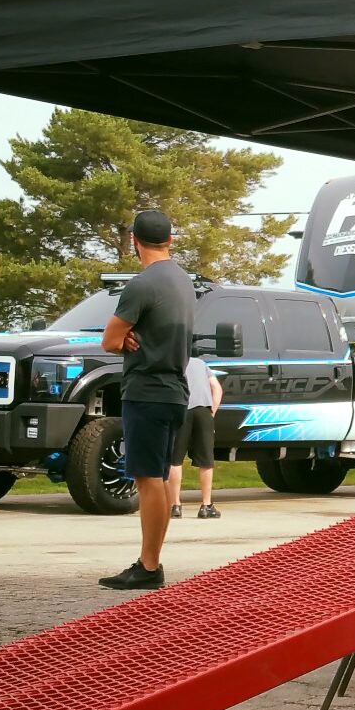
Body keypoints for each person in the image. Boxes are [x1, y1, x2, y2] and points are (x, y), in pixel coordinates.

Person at [99, 209, 194, 590]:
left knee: (148, 478)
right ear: (170, 239)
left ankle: (149, 566)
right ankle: (149, 561)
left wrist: (124, 337)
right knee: (158, 477)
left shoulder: (141, 285)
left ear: (134, 241)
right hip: (175, 392)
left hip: (146, 392)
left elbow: (109, 341)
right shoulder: (183, 281)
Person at [168, 355, 222, 519]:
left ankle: (175, 505)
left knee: (175, 460)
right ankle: (206, 505)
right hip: (203, 411)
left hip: (181, 409)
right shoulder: (201, 363)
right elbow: (217, 388)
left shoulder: (171, 361)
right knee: (206, 460)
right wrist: (212, 411)